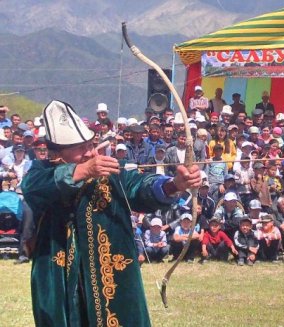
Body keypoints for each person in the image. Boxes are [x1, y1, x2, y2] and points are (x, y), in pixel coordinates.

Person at [21, 100, 201, 326]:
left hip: (112, 281)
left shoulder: (110, 172)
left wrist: (174, 184)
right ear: (57, 154)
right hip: (59, 279)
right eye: (81, 148)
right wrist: (82, 171)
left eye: (90, 144)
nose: (90, 152)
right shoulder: (41, 174)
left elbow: (140, 186)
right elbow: (32, 187)